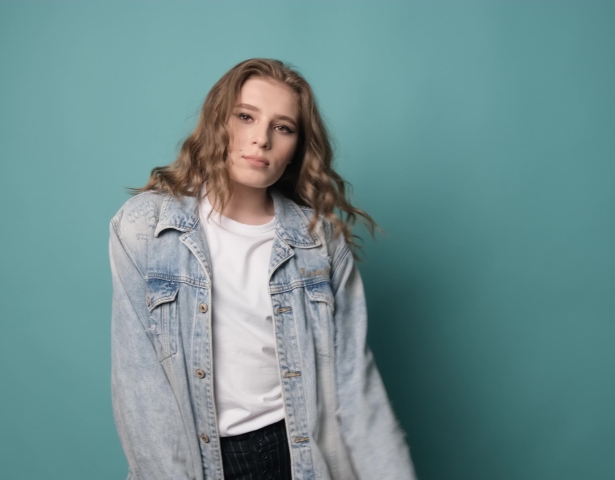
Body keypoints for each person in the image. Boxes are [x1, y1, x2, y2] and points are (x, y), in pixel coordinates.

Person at [108, 58, 416, 480]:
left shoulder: (319, 239)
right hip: (205, 461)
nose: (261, 139)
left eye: (283, 127)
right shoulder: (145, 227)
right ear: (219, 121)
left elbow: (353, 385)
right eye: (246, 116)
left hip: (302, 454)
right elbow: (141, 389)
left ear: (296, 149)